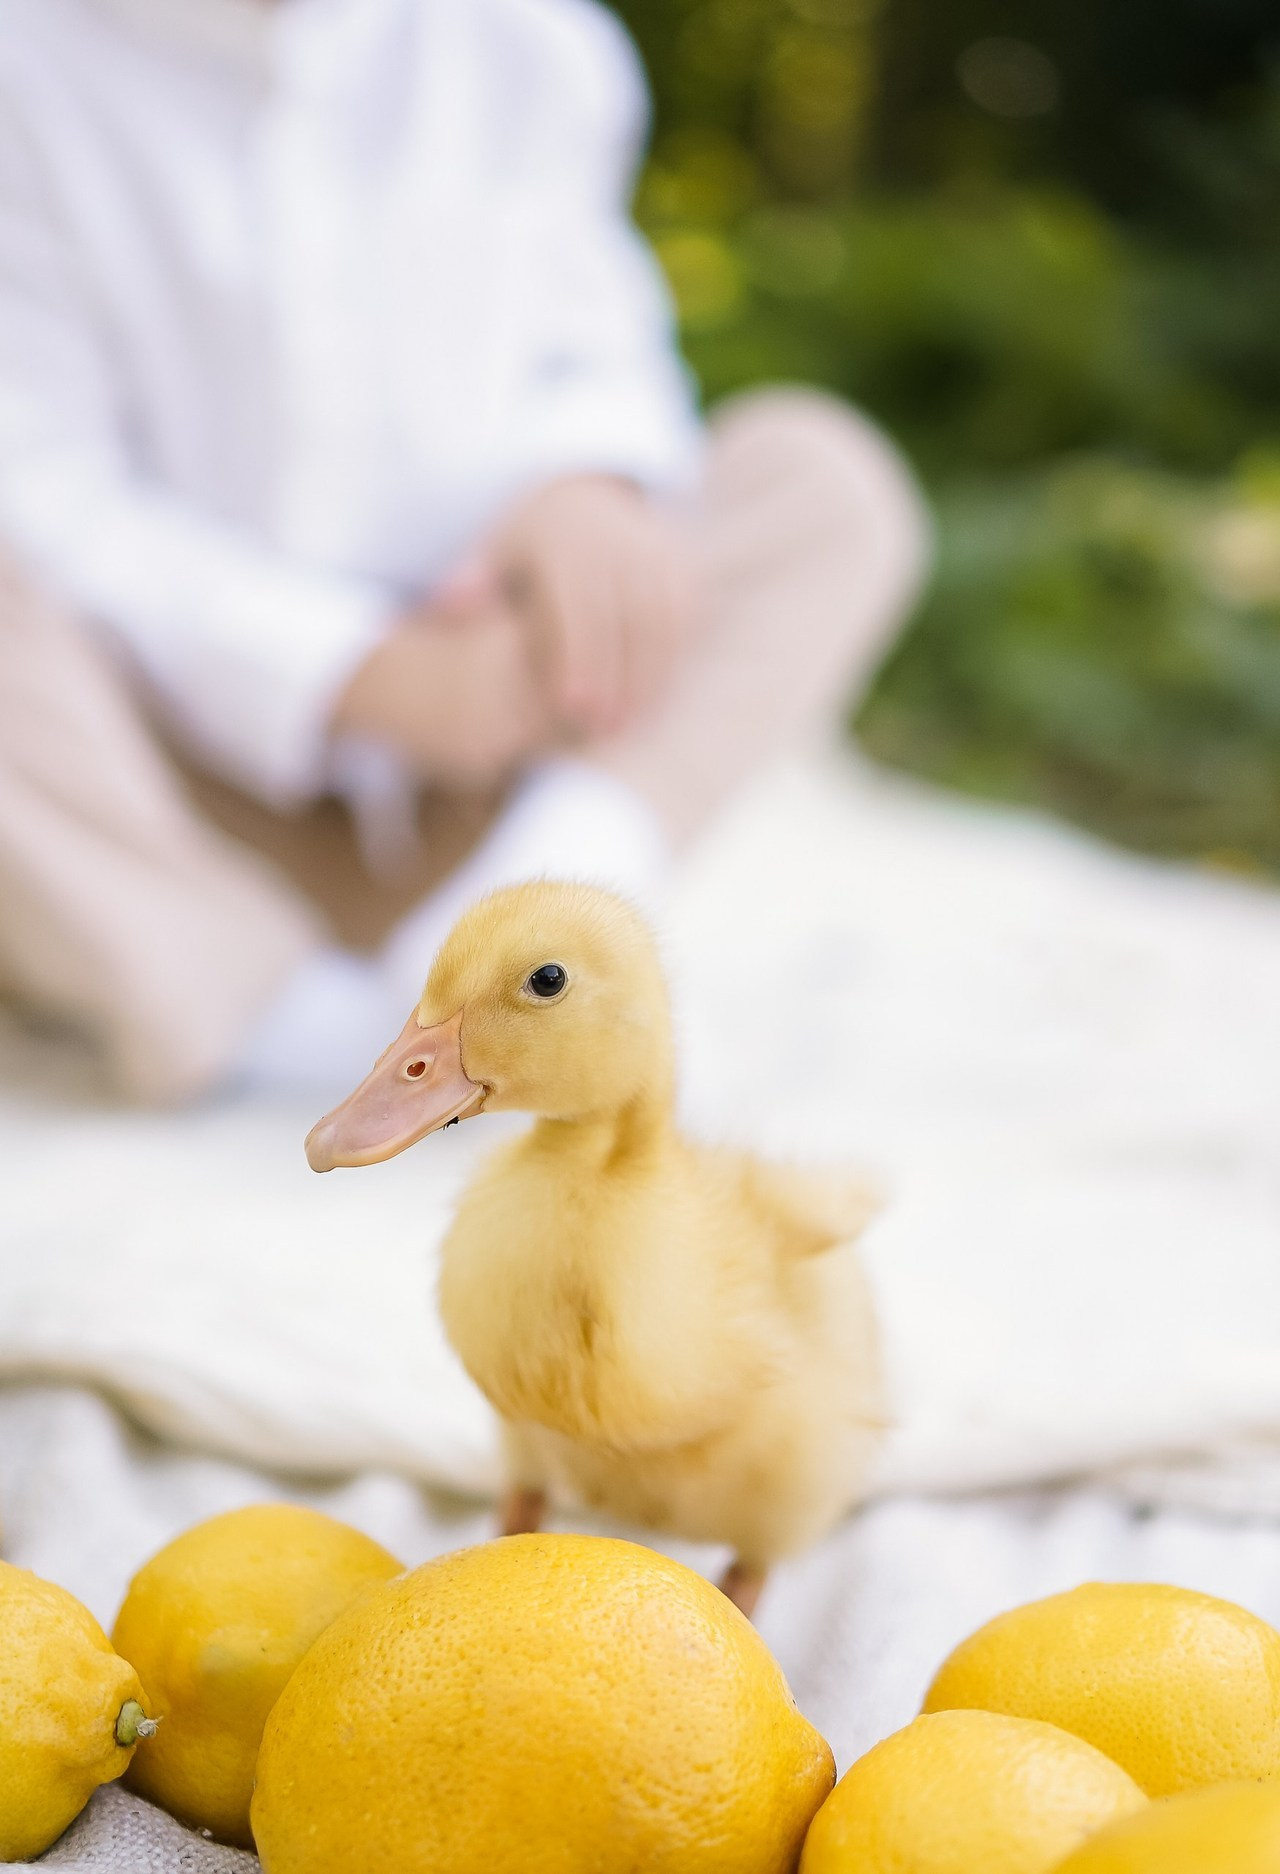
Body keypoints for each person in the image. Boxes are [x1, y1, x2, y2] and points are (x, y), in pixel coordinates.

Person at [0, 0, 929, 1103]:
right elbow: (41, 487)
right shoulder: (29, 66)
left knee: (817, 478)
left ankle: (526, 931)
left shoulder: (535, 49)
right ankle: (271, 1021)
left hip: (490, 757)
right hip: (158, 801)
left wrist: (585, 480)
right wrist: (351, 671)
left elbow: (596, 350)